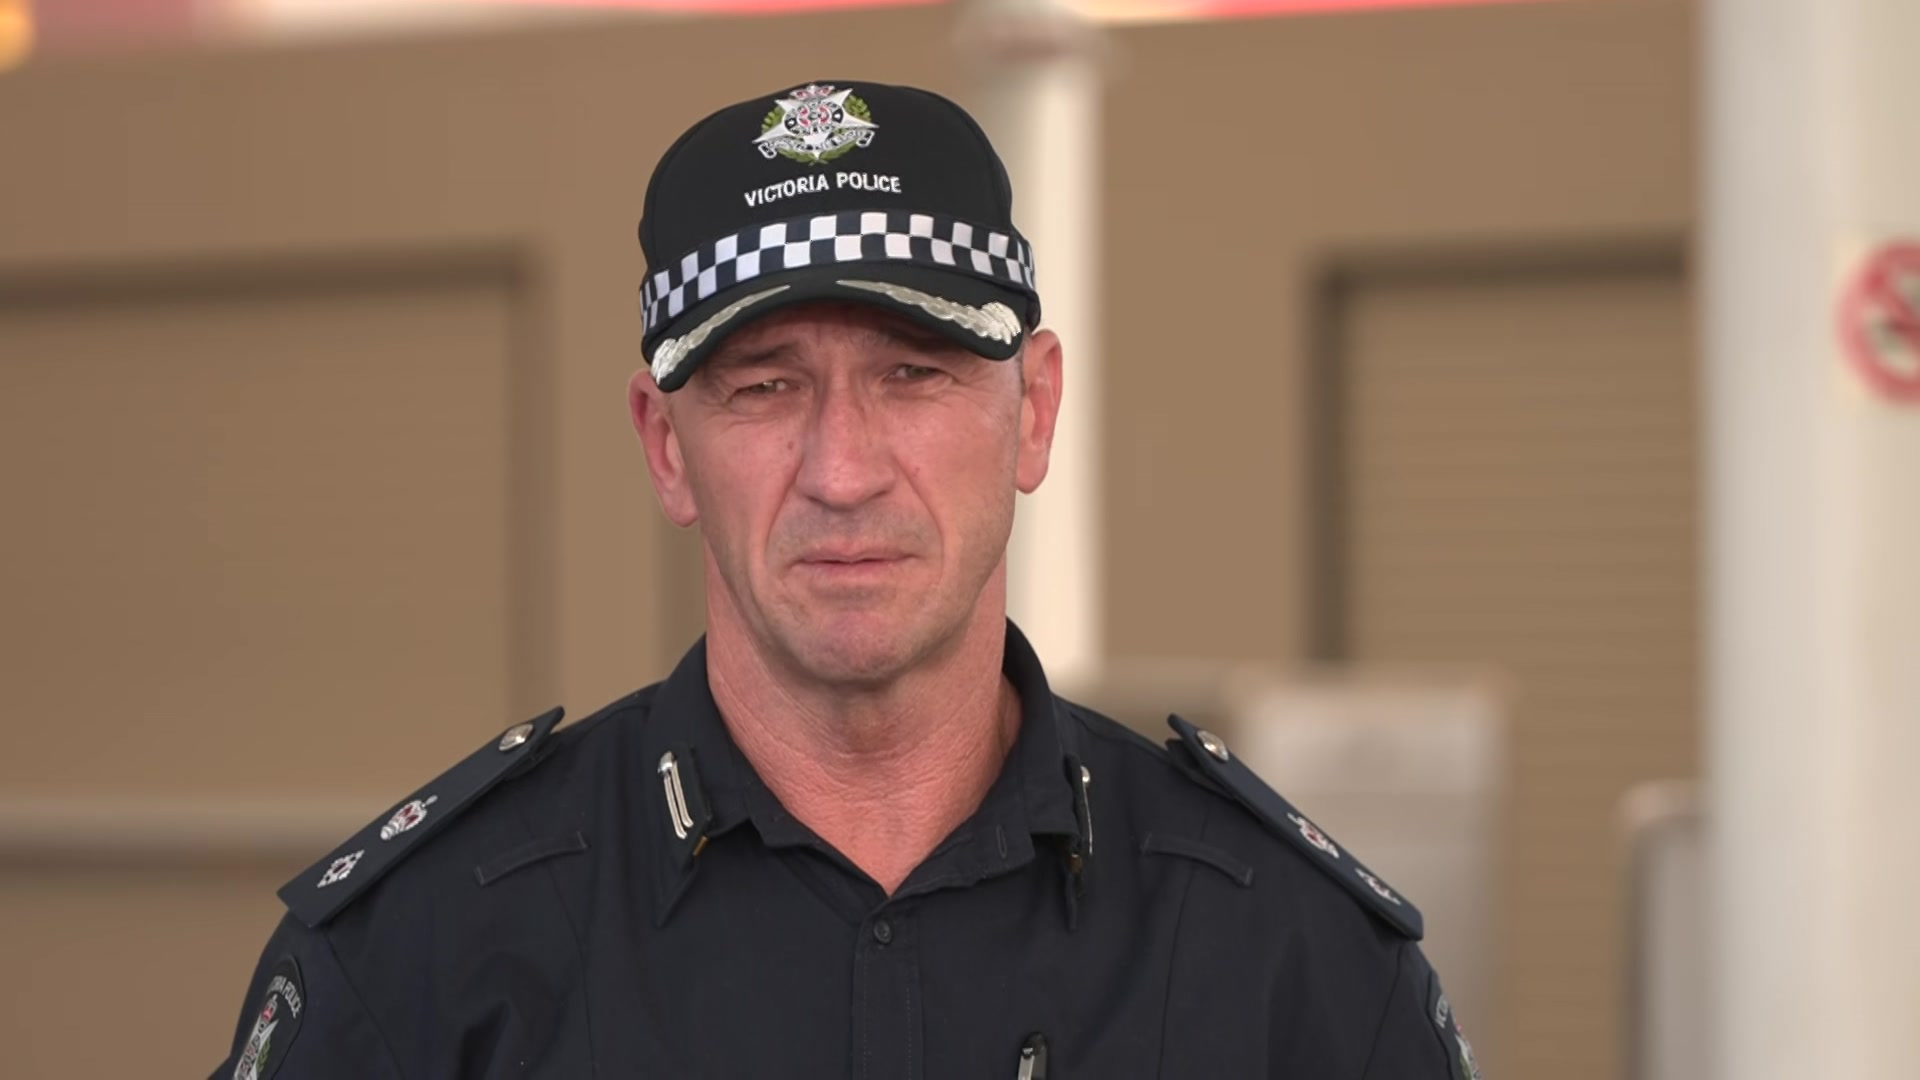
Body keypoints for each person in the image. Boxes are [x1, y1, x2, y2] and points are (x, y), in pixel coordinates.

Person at [215, 79, 1480, 1080]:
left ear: (1033, 411)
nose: (841, 469)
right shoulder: (420, 966)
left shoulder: (1286, 961)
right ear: (666, 447)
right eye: (765, 386)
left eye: (913, 373)